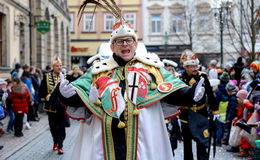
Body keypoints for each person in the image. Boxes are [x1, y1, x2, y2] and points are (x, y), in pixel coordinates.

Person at [56, 1, 206, 159]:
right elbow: (79, 95)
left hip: (143, 139)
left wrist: (191, 94)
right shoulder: (98, 71)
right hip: (104, 142)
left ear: (135, 44)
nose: (125, 44)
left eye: (129, 40)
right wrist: (66, 95)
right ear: (112, 46)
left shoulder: (151, 68)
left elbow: (172, 90)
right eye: (119, 41)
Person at [178, 50, 218, 160]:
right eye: (192, 66)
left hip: (201, 114)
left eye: (196, 65)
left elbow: (210, 94)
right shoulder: (179, 79)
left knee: (202, 141)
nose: (196, 68)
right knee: (187, 144)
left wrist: (215, 110)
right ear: (186, 67)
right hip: (186, 115)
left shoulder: (203, 77)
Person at [39, 57, 69, 155]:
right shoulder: (47, 76)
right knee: (53, 127)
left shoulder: (65, 76)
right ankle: (55, 141)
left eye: (60, 65)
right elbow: (41, 90)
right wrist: (47, 96)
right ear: (53, 67)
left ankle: (60, 146)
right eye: (57, 66)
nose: (59, 67)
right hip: (51, 107)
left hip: (62, 107)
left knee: (61, 127)